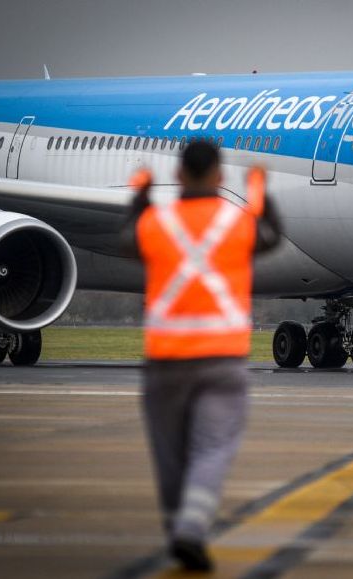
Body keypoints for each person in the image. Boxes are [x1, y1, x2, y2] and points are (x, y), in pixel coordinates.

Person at [124, 141, 281, 571]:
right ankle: (192, 530)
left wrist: (140, 195)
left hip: (165, 363)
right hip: (222, 362)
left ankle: (178, 527)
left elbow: (129, 241)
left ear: (178, 175)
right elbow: (270, 233)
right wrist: (260, 189)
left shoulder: (158, 220)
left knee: (170, 455)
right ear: (219, 175)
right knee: (211, 450)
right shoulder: (237, 221)